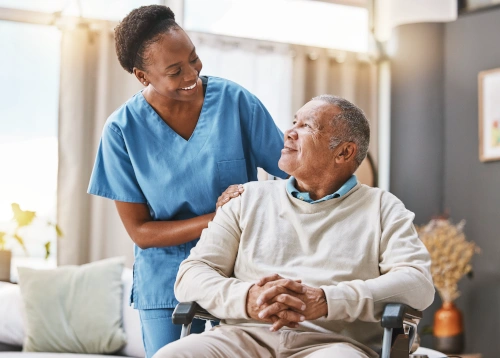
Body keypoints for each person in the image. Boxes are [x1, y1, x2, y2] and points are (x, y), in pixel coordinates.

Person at [155, 95, 435, 358]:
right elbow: (190, 275)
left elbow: (418, 283)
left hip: (332, 345)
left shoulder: (383, 208)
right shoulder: (246, 199)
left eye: (307, 126)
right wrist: (248, 298)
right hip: (243, 337)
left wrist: (327, 299)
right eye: (294, 123)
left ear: (344, 152)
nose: (289, 133)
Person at [87, 5, 287, 357]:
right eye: (175, 70)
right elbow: (141, 232)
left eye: (194, 59)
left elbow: (294, 174)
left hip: (241, 271)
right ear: (142, 75)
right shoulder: (121, 131)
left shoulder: (235, 102)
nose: (192, 73)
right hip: (166, 278)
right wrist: (220, 218)